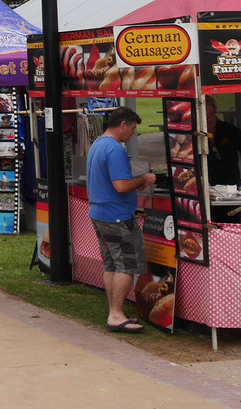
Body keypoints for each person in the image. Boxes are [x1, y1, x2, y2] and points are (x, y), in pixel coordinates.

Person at [86, 107, 156, 333]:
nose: (133, 134)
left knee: (111, 264)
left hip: (99, 213)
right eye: (133, 128)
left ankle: (114, 311)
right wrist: (143, 179)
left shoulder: (98, 143)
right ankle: (116, 314)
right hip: (116, 216)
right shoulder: (115, 149)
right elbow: (120, 185)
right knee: (126, 265)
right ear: (123, 124)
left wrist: (135, 182)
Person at [206, 95, 241, 185]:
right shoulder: (194, 134)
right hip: (207, 185)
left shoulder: (228, 129)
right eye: (205, 115)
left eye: (211, 113)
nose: (209, 118)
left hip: (232, 184)